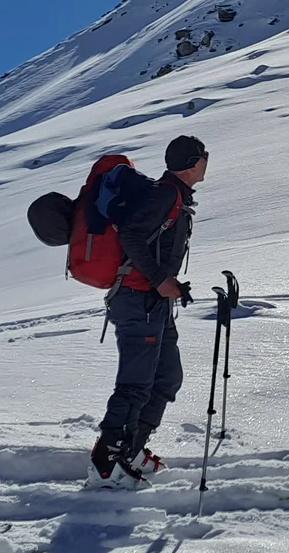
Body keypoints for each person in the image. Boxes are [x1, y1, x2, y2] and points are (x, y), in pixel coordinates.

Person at [88, 134, 208, 488]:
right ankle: (106, 464)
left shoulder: (174, 196)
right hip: (138, 300)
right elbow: (131, 236)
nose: (206, 163)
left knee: (167, 377)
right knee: (135, 384)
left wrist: (167, 285)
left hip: (153, 302)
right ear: (192, 163)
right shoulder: (165, 194)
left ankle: (131, 449)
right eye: (204, 157)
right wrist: (158, 280)